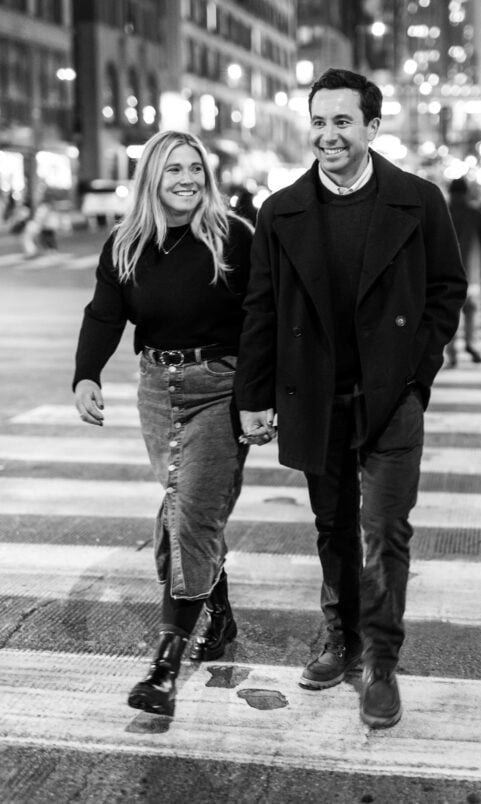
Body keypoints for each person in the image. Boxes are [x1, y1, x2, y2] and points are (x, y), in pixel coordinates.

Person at [234, 67, 466, 729]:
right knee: (332, 528)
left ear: (371, 126)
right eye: (319, 121)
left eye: (343, 121)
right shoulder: (280, 211)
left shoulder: (419, 202)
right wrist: (253, 394)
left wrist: (417, 376)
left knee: (385, 531)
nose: (328, 134)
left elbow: (447, 291)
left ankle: (382, 662)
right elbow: (262, 308)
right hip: (315, 397)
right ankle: (341, 637)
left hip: (391, 400)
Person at [73, 129, 254, 717]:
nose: (187, 179)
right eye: (173, 168)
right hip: (157, 389)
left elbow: (264, 320)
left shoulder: (235, 237)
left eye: (195, 168)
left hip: (221, 388)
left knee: (190, 511)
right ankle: (218, 614)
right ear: (151, 176)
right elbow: (104, 314)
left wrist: (263, 396)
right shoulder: (127, 244)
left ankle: (165, 664)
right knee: (185, 506)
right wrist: (86, 375)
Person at [445, 176, 481, 365]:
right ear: (466, 193)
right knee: (471, 309)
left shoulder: (442, 211)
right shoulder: (477, 214)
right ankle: (471, 343)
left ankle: (452, 353)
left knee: (449, 312)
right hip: (472, 271)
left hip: (445, 273)